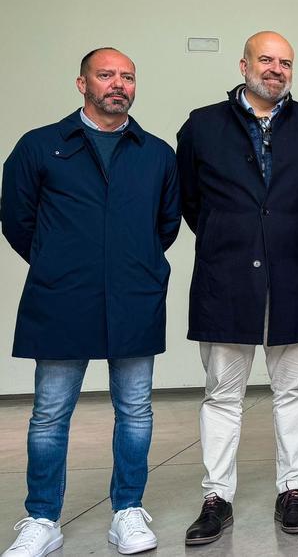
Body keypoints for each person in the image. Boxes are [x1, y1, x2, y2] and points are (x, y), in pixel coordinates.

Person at [1, 48, 180, 556]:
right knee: (50, 414)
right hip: (61, 297)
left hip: (134, 296)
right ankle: (41, 519)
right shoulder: (41, 147)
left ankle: (127, 510)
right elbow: (17, 220)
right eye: (106, 75)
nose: (118, 84)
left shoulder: (156, 153)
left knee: (136, 410)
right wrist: (61, 260)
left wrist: (132, 261)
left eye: (127, 76)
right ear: (82, 83)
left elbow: (165, 225)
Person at [177, 31, 298, 544]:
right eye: (266, 60)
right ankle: (216, 497)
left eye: (285, 62)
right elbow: (189, 201)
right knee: (221, 395)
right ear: (243, 64)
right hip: (225, 279)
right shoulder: (202, 125)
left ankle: (291, 492)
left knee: (296, 391)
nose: (276, 69)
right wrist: (237, 235)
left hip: (296, 277)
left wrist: (282, 237)